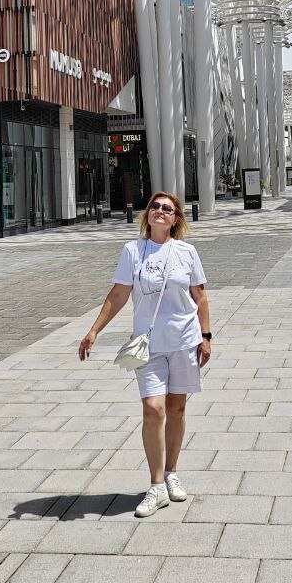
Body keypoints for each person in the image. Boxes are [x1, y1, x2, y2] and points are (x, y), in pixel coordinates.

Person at [78, 191, 211, 518]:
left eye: (167, 208)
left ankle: (171, 473)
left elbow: (200, 297)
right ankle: (156, 486)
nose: (160, 211)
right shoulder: (133, 251)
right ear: (147, 214)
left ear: (175, 218)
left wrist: (206, 336)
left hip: (184, 340)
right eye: (155, 206)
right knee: (153, 409)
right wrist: (94, 330)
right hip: (148, 344)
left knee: (177, 408)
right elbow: (119, 294)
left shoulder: (187, 252)